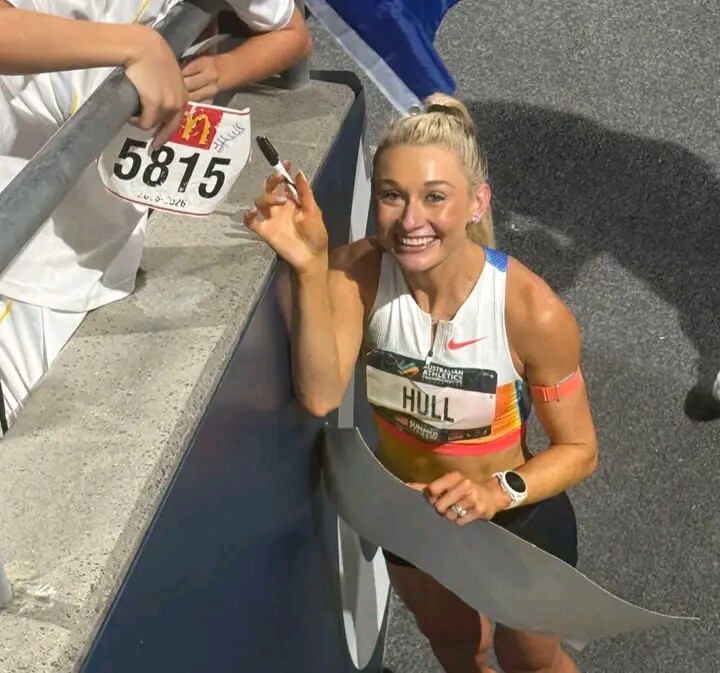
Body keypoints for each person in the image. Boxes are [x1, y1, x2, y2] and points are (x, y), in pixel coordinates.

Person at [244, 94, 599, 673]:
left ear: (476, 202)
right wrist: (310, 266)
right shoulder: (358, 272)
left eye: (435, 197)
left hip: (513, 518)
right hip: (412, 515)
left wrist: (497, 492)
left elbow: (580, 450)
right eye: (392, 195)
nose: (411, 221)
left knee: (531, 661)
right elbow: (321, 394)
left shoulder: (531, 311)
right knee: (458, 648)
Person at [0, 0, 311, 435]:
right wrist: (136, 45)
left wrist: (223, 70)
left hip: (104, 244)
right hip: (23, 258)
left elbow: (292, 32)